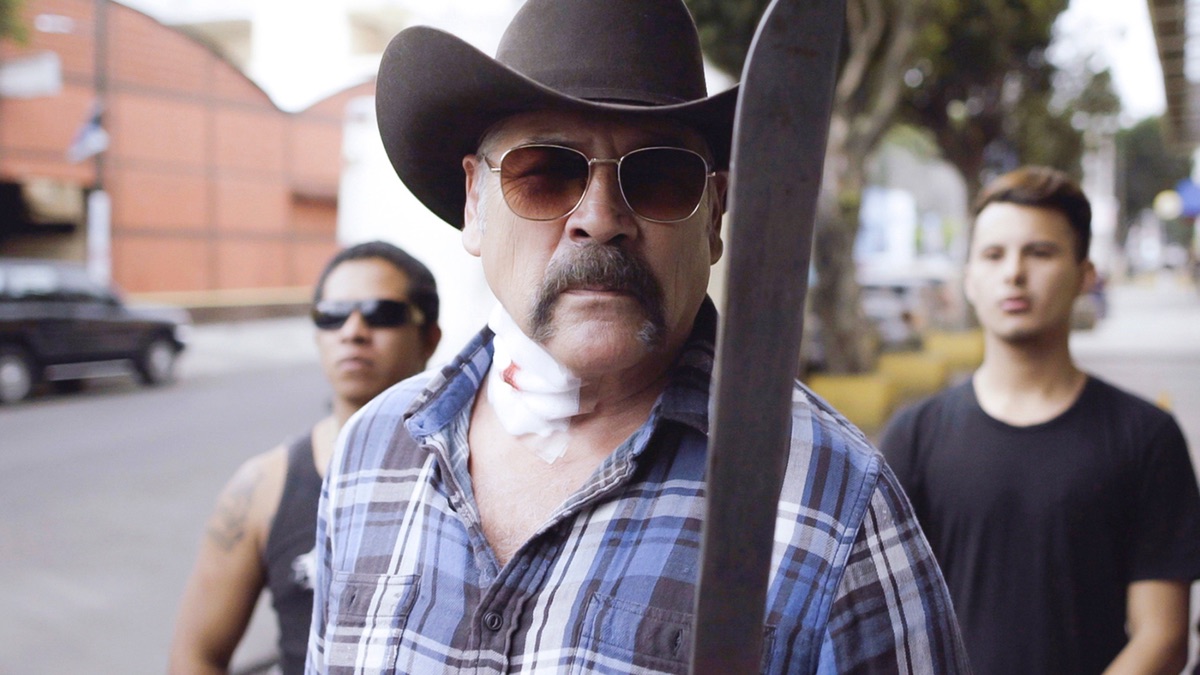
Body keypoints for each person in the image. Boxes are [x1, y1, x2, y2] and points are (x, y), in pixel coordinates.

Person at [307, 1, 969, 672]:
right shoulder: (370, 457)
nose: (600, 219)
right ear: (475, 203)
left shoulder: (838, 503)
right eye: (547, 173)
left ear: (714, 217)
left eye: (658, 178)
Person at [879, 166, 1200, 674]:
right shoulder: (914, 437)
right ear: (969, 279)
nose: (1014, 273)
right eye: (993, 254)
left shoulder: (1146, 438)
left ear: (1086, 275)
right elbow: (883, 623)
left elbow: (1162, 636)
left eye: (1040, 252)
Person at [169, 241, 442, 674]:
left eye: (381, 313)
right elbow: (196, 654)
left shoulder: (474, 474)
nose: (353, 331)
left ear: (429, 337)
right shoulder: (263, 487)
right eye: (332, 315)